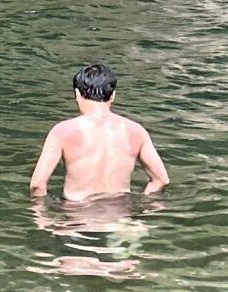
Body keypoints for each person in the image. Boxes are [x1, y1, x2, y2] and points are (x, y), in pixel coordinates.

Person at [29, 63, 169, 202]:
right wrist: (144, 209)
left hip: (78, 218)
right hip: (122, 218)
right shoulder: (136, 131)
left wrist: (43, 221)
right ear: (113, 95)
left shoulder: (62, 131)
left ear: (77, 94)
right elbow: (161, 180)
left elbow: (37, 185)